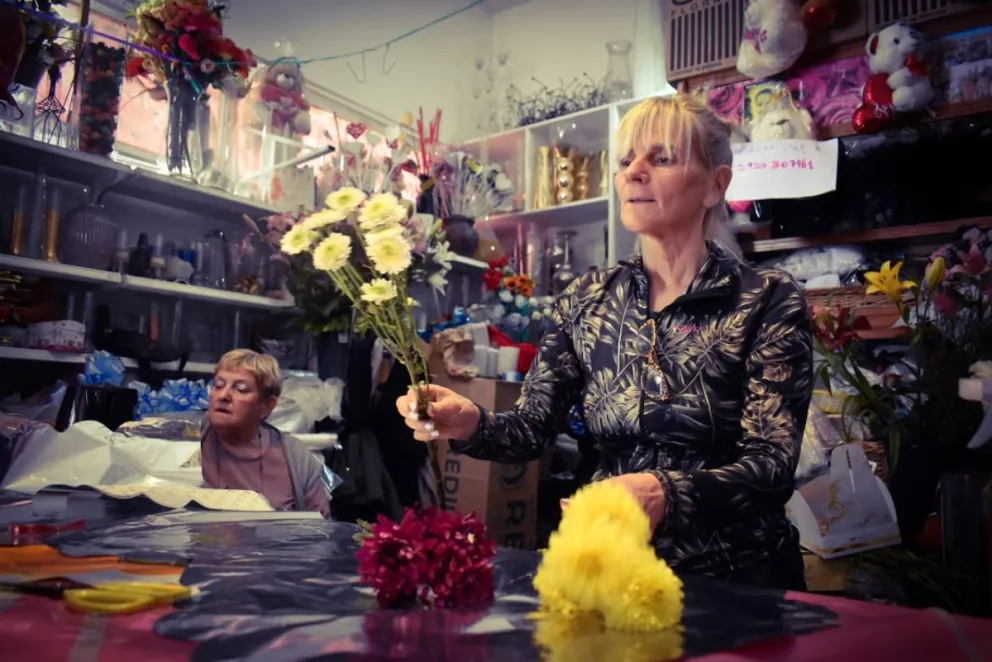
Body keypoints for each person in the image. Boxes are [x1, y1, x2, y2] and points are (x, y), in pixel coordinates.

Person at [396, 94, 814, 591]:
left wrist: (665, 495)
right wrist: (471, 423)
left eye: (661, 158)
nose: (634, 172)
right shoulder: (589, 299)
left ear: (715, 185)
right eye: (625, 160)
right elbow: (532, 427)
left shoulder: (766, 300)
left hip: (734, 580)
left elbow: (771, 465)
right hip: (608, 570)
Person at [202, 349, 331, 518]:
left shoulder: (297, 457)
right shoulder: (185, 439)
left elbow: (322, 529)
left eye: (240, 389)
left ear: (267, 405)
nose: (223, 395)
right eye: (218, 385)